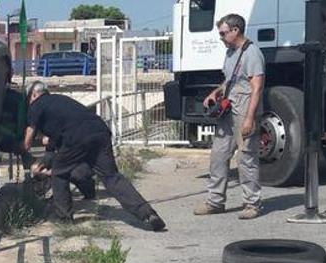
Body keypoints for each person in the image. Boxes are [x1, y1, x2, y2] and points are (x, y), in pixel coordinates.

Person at [23, 81, 166, 231]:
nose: (29, 103)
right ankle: (148, 214)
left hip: (77, 137)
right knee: (112, 177)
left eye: (28, 100)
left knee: (59, 173)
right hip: (100, 131)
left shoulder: (37, 104)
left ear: (34, 94)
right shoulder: (61, 100)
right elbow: (57, 137)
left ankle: (64, 219)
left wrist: (24, 146)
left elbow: (30, 131)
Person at [195, 13, 266, 220]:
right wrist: (216, 92)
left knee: (246, 157)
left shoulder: (252, 53)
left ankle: (252, 203)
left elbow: (257, 87)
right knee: (218, 154)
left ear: (236, 31)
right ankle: (215, 201)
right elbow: (230, 79)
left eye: (223, 33)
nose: (221, 37)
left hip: (245, 107)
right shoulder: (230, 53)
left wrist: (249, 118)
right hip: (229, 106)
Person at [30, 136, 97, 205]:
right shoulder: (53, 140)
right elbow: (48, 156)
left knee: (76, 174)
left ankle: (88, 190)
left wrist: (49, 172)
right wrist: (38, 167)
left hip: (79, 165)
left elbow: (70, 163)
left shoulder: (72, 140)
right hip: (64, 164)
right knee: (48, 159)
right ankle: (43, 194)